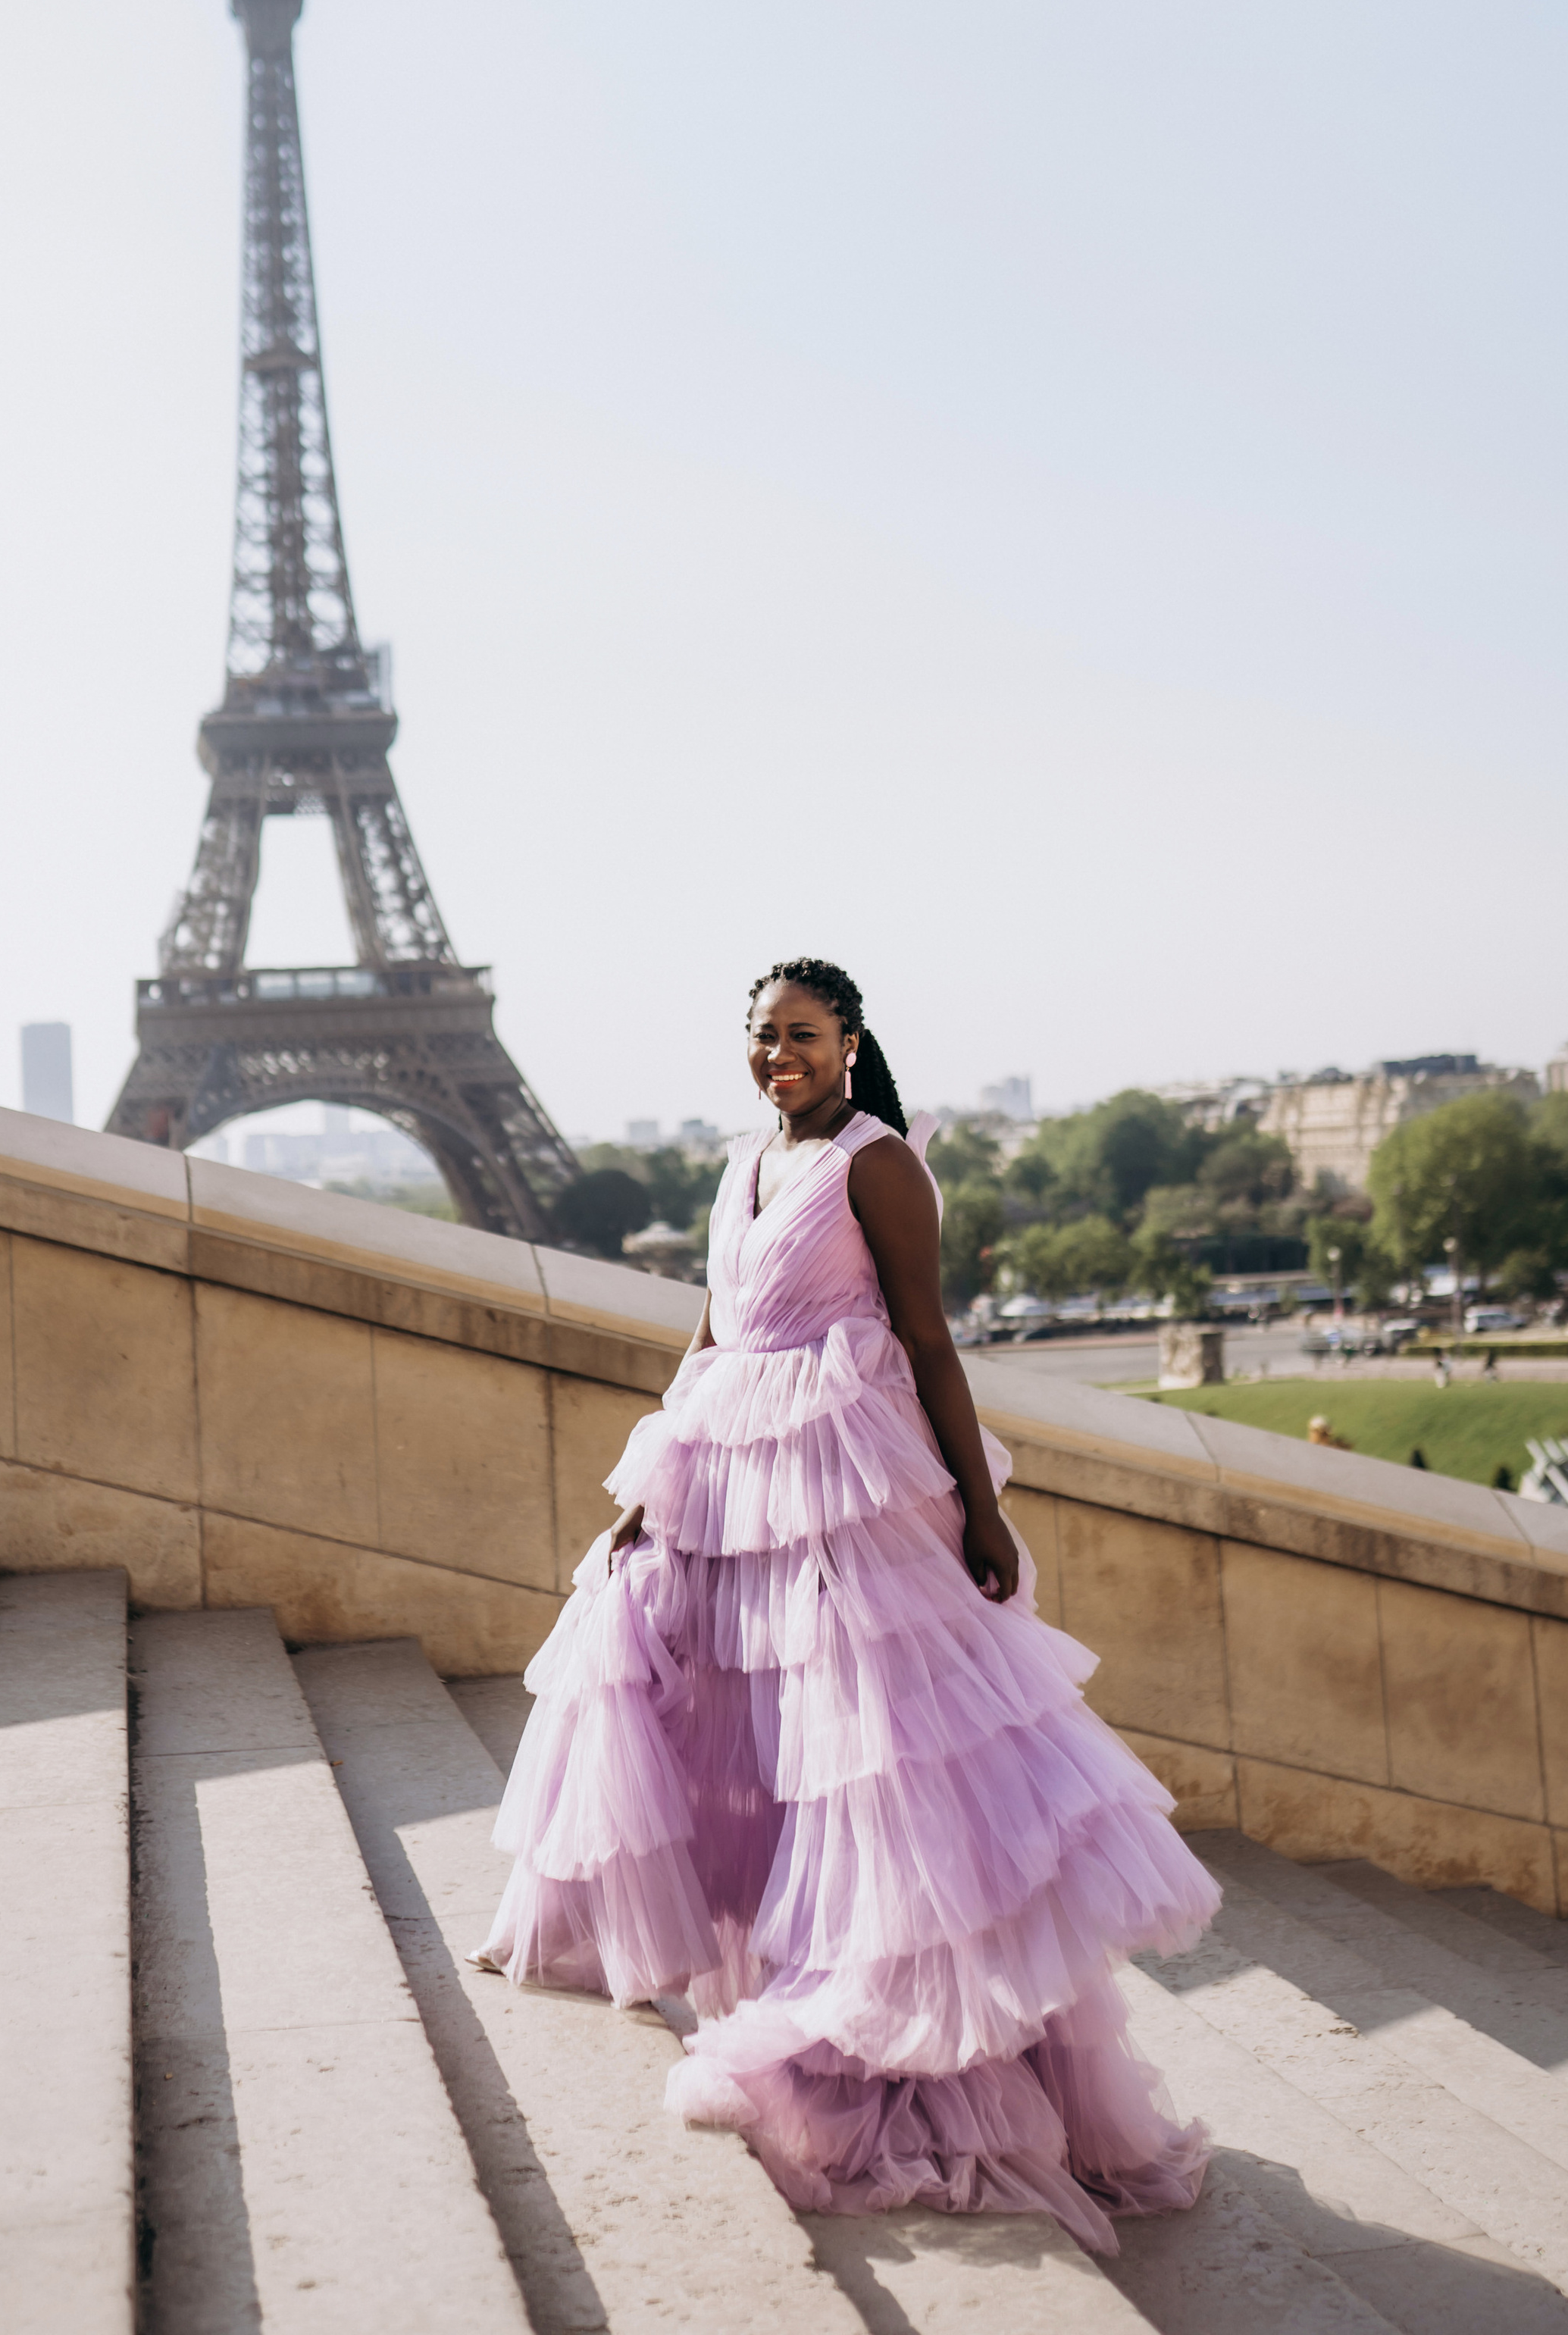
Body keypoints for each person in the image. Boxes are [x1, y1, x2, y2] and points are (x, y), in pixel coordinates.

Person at [474, 958, 1218, 2252]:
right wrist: (651, 1479)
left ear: (850, 1042)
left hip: (847, 1481)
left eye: (804, 1037)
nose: (781, 1055)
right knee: (735, 1722)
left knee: (869, 1760)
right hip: (731, 1470)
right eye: (764, 1036)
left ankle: (899, 2022)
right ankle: (758, 1956)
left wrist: (982, 1515)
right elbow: (713, 1337)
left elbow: (929, 1336)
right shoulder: (743, 1159)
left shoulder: (880, 1163)